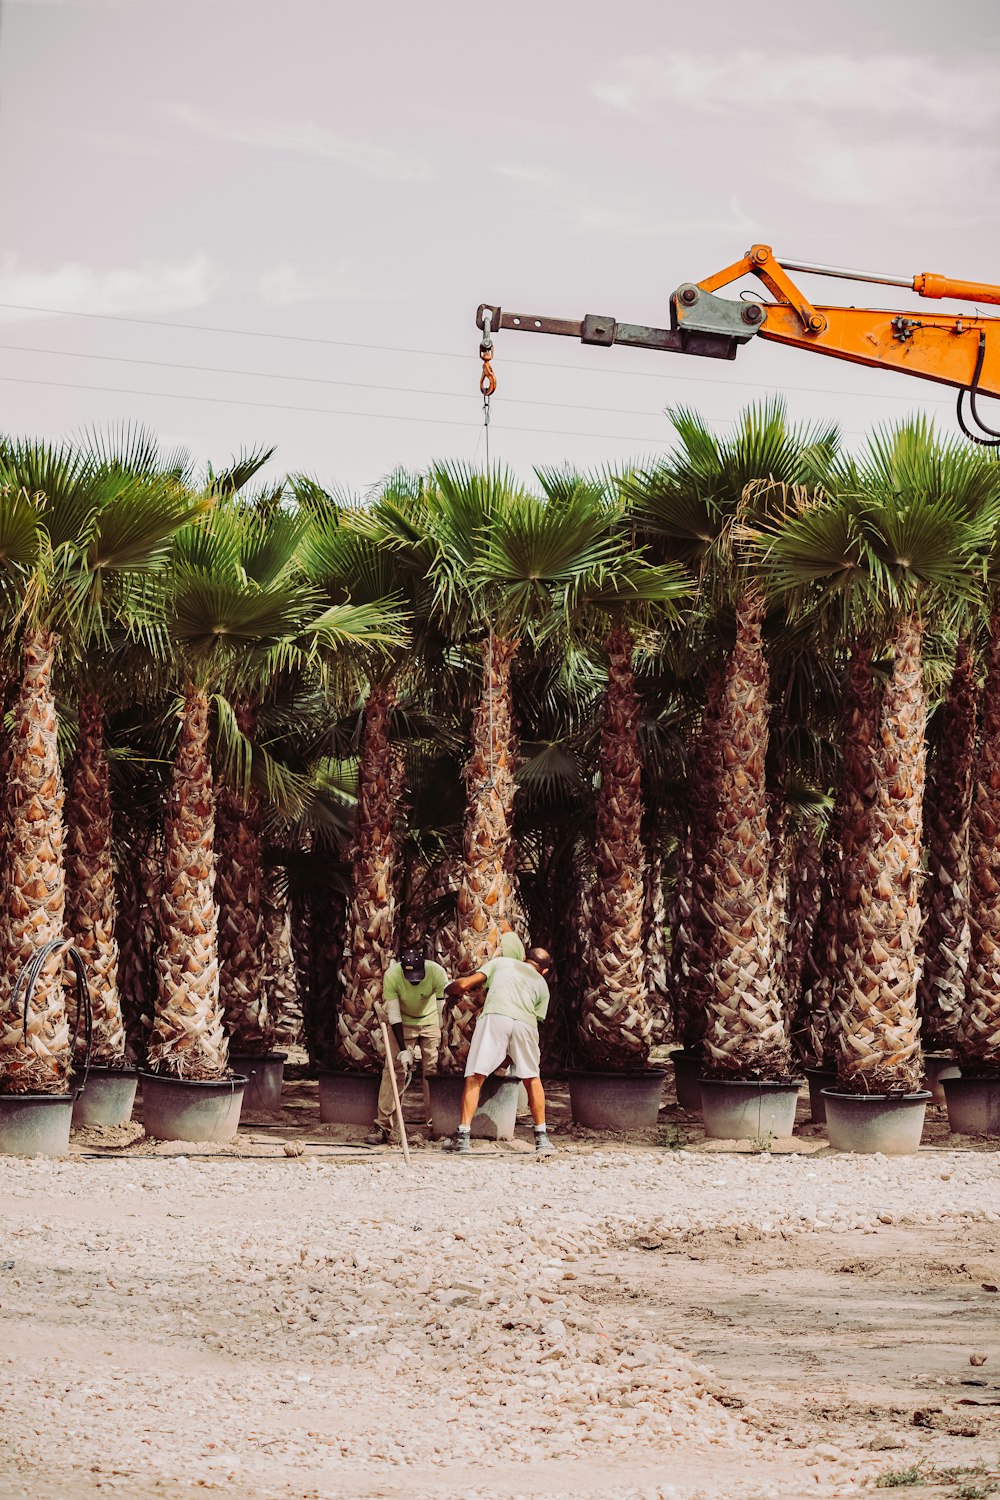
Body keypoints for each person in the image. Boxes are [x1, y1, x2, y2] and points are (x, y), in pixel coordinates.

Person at [443, 946, 555, 1154]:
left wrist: (449, 988)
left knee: (475, 1076)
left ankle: (463, 1136)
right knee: (532, 1078)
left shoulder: (502, 962)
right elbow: (533, 1020)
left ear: (523, 958)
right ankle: (542, 1139)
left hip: (495, 1017)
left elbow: (466, 984)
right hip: (526, 1024)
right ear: (545, 971)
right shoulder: (542, 985)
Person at [365, 942, 448, 1146]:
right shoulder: (392, 976)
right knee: (393, 1070)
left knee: (431, 1071)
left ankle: (436, 1125)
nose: (413, 983)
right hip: (402, 1022)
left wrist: (440, 1034)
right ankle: (384, 1126)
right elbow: (393, 1015)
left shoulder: (437, 973)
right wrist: (403, 1051)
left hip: (430, 1021)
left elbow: (441, 1011)